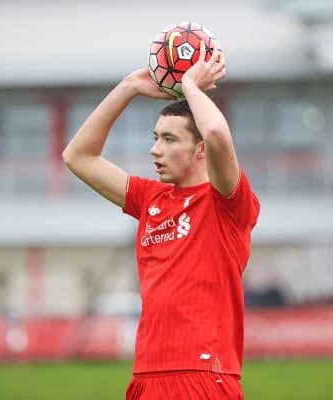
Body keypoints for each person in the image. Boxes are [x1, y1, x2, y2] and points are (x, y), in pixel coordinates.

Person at [63, 42, 260, 399]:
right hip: (146, 376)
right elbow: (77, 156)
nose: (156, 149)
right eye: (156, 138)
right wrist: (128, 87)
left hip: (203, 375)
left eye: (169, 139)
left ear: (199, 151)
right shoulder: (150, 199)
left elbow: (216, 133)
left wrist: (191, 87)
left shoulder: (227, 203)